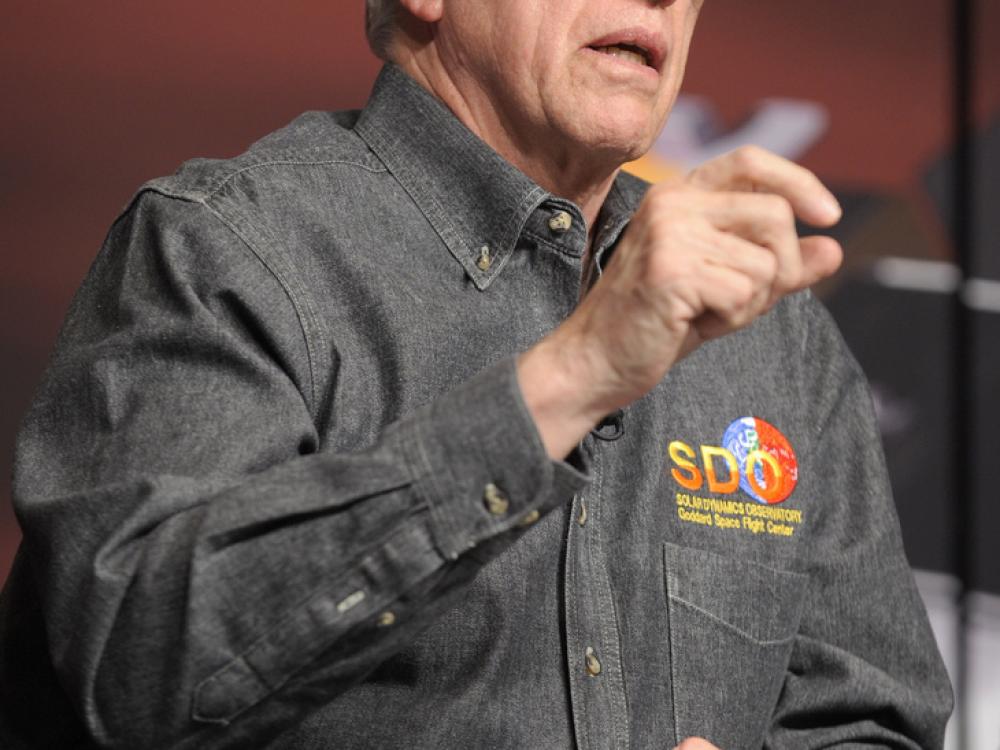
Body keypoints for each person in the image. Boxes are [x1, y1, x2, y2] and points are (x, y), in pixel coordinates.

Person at [0, 0, 952, 748]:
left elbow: (869, 717)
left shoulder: (771, 334)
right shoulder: (225, 249)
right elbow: (138, 666)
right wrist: (572, 376)